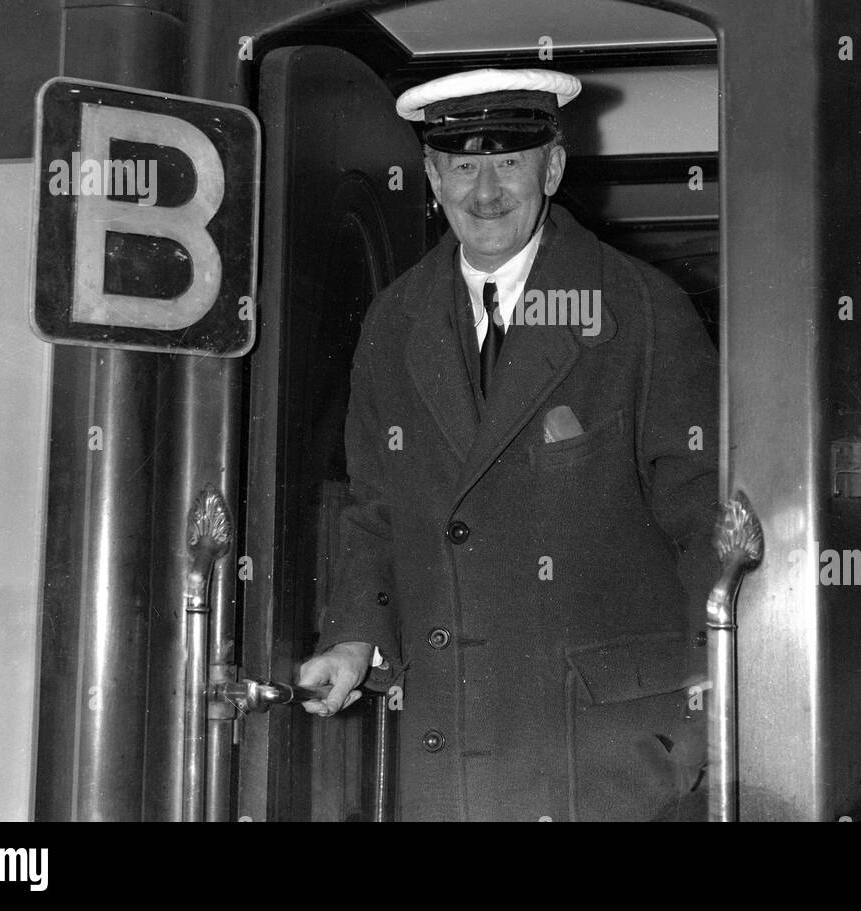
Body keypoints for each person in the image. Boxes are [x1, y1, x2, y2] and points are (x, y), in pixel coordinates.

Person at [298, 67, 720, 821]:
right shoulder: (393, 323)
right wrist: (354, 637)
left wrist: (709, 703)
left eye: (509, 163)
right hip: (456, 734)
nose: (484, 191)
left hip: (605, 750)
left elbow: (709, 518)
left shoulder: (641, 310)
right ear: (431, 174)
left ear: (552, 167)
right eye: (462, 165)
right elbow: (375, 508)